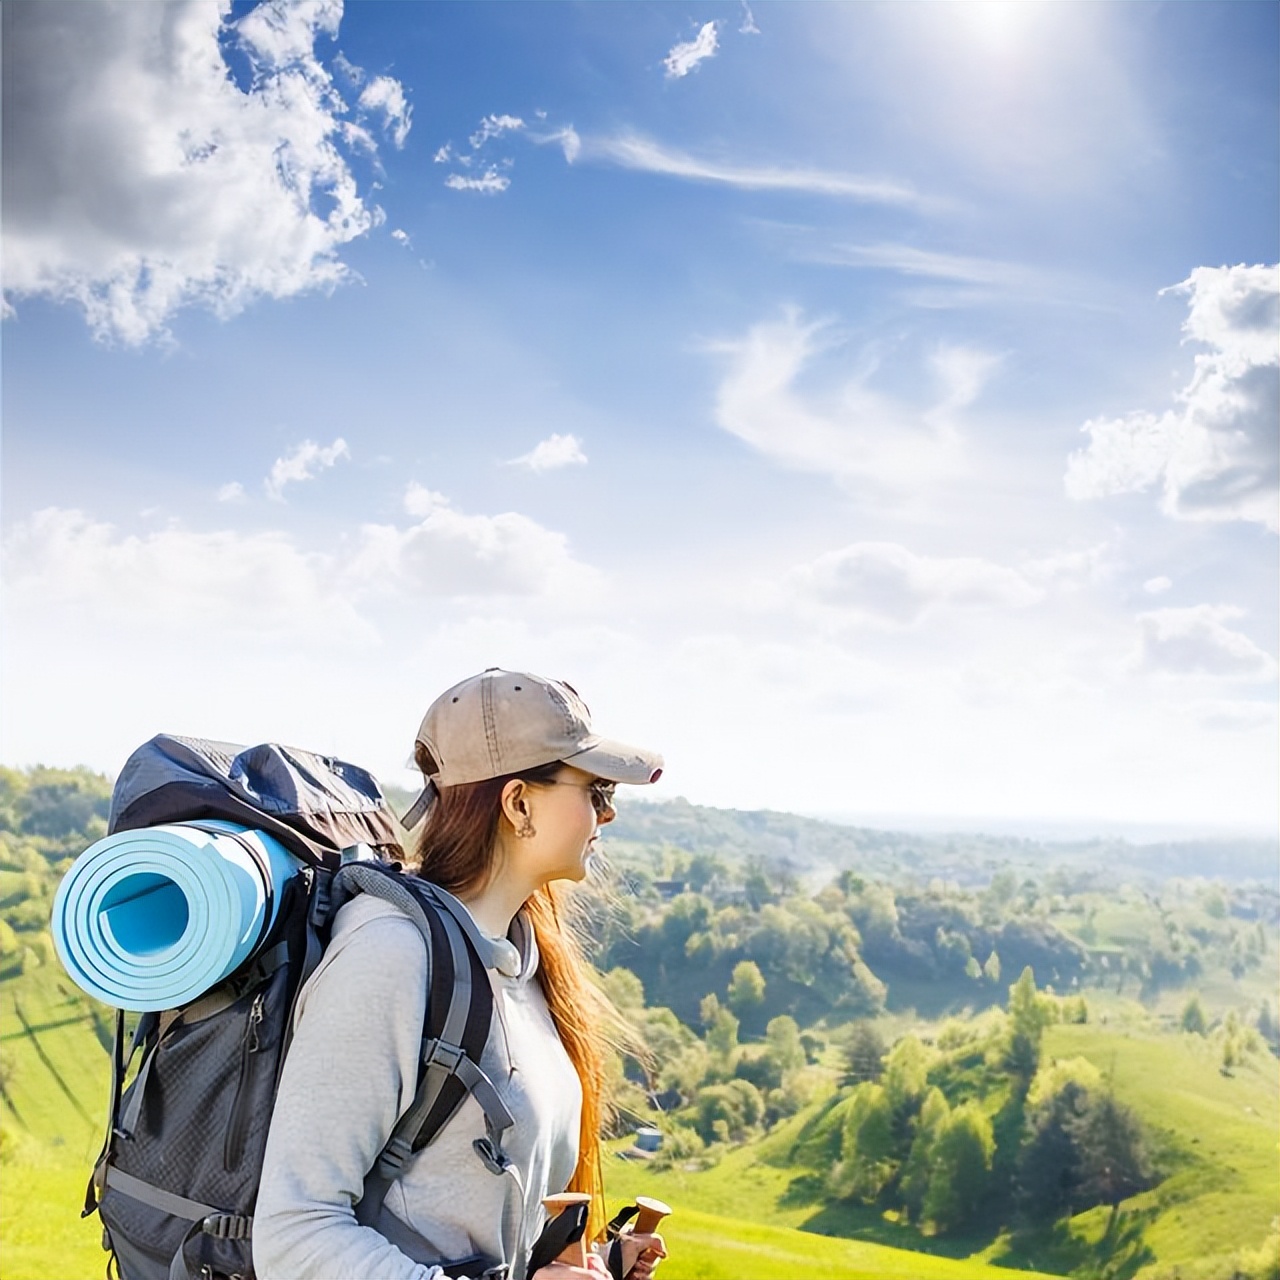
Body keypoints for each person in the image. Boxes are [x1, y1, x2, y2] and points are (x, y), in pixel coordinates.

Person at [254, 669, 668, 1280]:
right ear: (518, 803)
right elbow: (294, 1235)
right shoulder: (389, 957)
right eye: (597, 790)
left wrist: (592, 1261)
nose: (606, 815)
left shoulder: (522, 962)